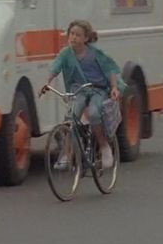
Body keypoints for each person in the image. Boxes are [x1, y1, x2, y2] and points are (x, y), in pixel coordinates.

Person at [39, 20, 125, 169]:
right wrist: (46, 82)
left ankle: (104, 147)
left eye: (78, 35)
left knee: (94, 113)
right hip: (78, 90)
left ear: (86, 38)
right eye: (71, 34)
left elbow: (110, 70)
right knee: (71, 117)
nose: (73, 37)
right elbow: (55, 68)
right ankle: (67, 154)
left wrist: (114, 88)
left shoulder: (96, 54)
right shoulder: (66, 53)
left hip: (97, 90)